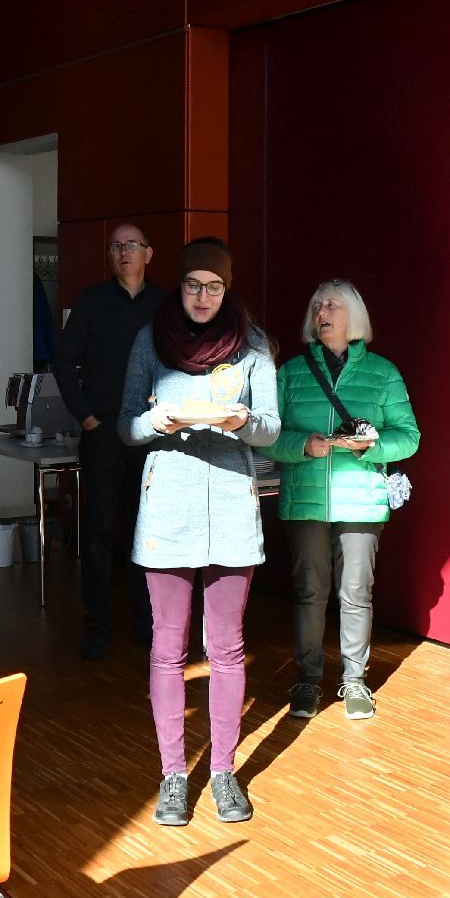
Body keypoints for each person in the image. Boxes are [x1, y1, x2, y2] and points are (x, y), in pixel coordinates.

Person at [120, 237, 280, 825]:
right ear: (179, 285)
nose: (203, 296)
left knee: (227, 648)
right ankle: (171, 776)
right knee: (168, 649)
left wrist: (242, 421)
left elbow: (271, 429)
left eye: (214, 286)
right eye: (193, 284)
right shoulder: (150, 340)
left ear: (227, 288)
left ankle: (222, 772)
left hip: (233, 507)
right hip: (167, 509)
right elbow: (126, 426)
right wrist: (153, 421)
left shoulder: (253, 346)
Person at [269, 279, 421, 721]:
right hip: (305, 500)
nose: (322, 312)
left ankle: (355, 680)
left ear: (354, 315)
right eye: (317, 305)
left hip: (362, 499)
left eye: (332, 305)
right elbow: (267, 436)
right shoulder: (291, 372)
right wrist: (303, 445)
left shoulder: (383, 372)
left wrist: (370, 447)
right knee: (309, 591)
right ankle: (308, 679)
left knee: (356, 592)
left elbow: (409, 436)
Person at [56, 223, 165, 659]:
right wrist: (85, 417)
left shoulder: (165, 305)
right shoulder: (91, 301)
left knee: (147, 529)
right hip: (101, 431)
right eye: (117, 246)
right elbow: (63, 360)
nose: (124, 252)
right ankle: (97, 626)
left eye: (132, 245)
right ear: (110, 255)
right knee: (98, 532)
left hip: (149, 433)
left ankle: (147, 624)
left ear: (148, 253)